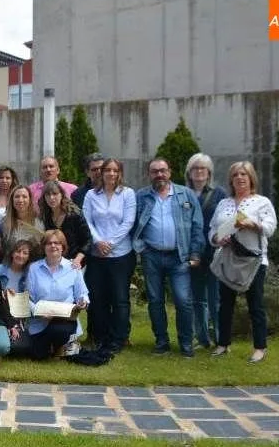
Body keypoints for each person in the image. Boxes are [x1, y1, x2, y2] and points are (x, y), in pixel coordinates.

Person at [133, 158, 204, 357]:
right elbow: (133, 224)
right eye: (155, 171)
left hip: (179, 257)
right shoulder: (142, 196)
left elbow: (198, 226)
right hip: (152, 256)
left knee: (183, 301)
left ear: (170, 172)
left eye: (163, 170)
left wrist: (195, 253)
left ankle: (186, 343)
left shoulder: (185, 194)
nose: (159, 175)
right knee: (155, 301)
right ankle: (161, 342)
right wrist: (140, 248)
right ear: (149, 174)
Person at [209, 161, 276, 364]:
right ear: (231, 179)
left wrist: (252, 223)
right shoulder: (224, 203)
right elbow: (212, 230)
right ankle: (223, 344)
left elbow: (270, 228)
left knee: (255, 304)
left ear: (251, 178)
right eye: (236, 174)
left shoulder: (261, 202)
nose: (239, 178)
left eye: (244, 174)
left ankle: (260, 348)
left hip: (253, 260)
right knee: (225, 304)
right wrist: (217, 239)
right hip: (228, 259)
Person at [83, 158, 136, 354]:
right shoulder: (91, 195)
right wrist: (98, 242)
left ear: (120, 173)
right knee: (97, 298)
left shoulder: (128, 194)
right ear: (101, 173)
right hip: (97, 255)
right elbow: (87, 221)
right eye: (107, 170)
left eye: (115, 170)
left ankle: (119, 338)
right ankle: (100, 337)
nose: (111, 174)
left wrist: (111, 243)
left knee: (120, 298)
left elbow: (128, 222)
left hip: (121, 255)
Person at [185, 153, 229, 349]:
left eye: (203, 168)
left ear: (209, 172)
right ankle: (202, 338)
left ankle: (221, 339)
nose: (199, 172)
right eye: (195, 168)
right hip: (192, 252)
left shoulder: (219, 194)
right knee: (197, 299)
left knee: (215, 299)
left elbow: (227, 219)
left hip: (214, 251)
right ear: (189, 172)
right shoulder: (182, 193)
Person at [27, 229, 89, 360]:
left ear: (63, 247)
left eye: (57, 243)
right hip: (40, 320)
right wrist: (38, 312)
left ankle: (62, 345)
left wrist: (83, 301)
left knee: (59, 330)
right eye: (49, 243)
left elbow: (82, 293)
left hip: (64, 320)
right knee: (38, 355)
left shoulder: (73, 268)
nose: (53, 246)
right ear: (44, 247)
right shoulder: (34, 268)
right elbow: (28, 298)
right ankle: (60, 347)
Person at [38, 180, 91, 270]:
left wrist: (77, 259)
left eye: (55, 194)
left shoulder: (75, 214)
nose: (51, 198)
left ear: (61, 195)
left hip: (74, 263)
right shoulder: (45, 216)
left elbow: (87, 241)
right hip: (53, 263)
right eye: (48, 195)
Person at [0, 239, 33, 355]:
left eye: (25, 253)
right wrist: (2, 293)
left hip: (20, 317)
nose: (20, 255)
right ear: (12, 253)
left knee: (24, 347)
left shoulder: (30, 275)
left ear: (29, 257)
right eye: (18, 251)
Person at [0, 184, 44, 259]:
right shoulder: (4, 223)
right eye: (17, 197)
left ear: (30, 200)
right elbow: (2, 253)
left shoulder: (40, 221)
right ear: (12, 200)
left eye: (24, 197)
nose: (20, 200)